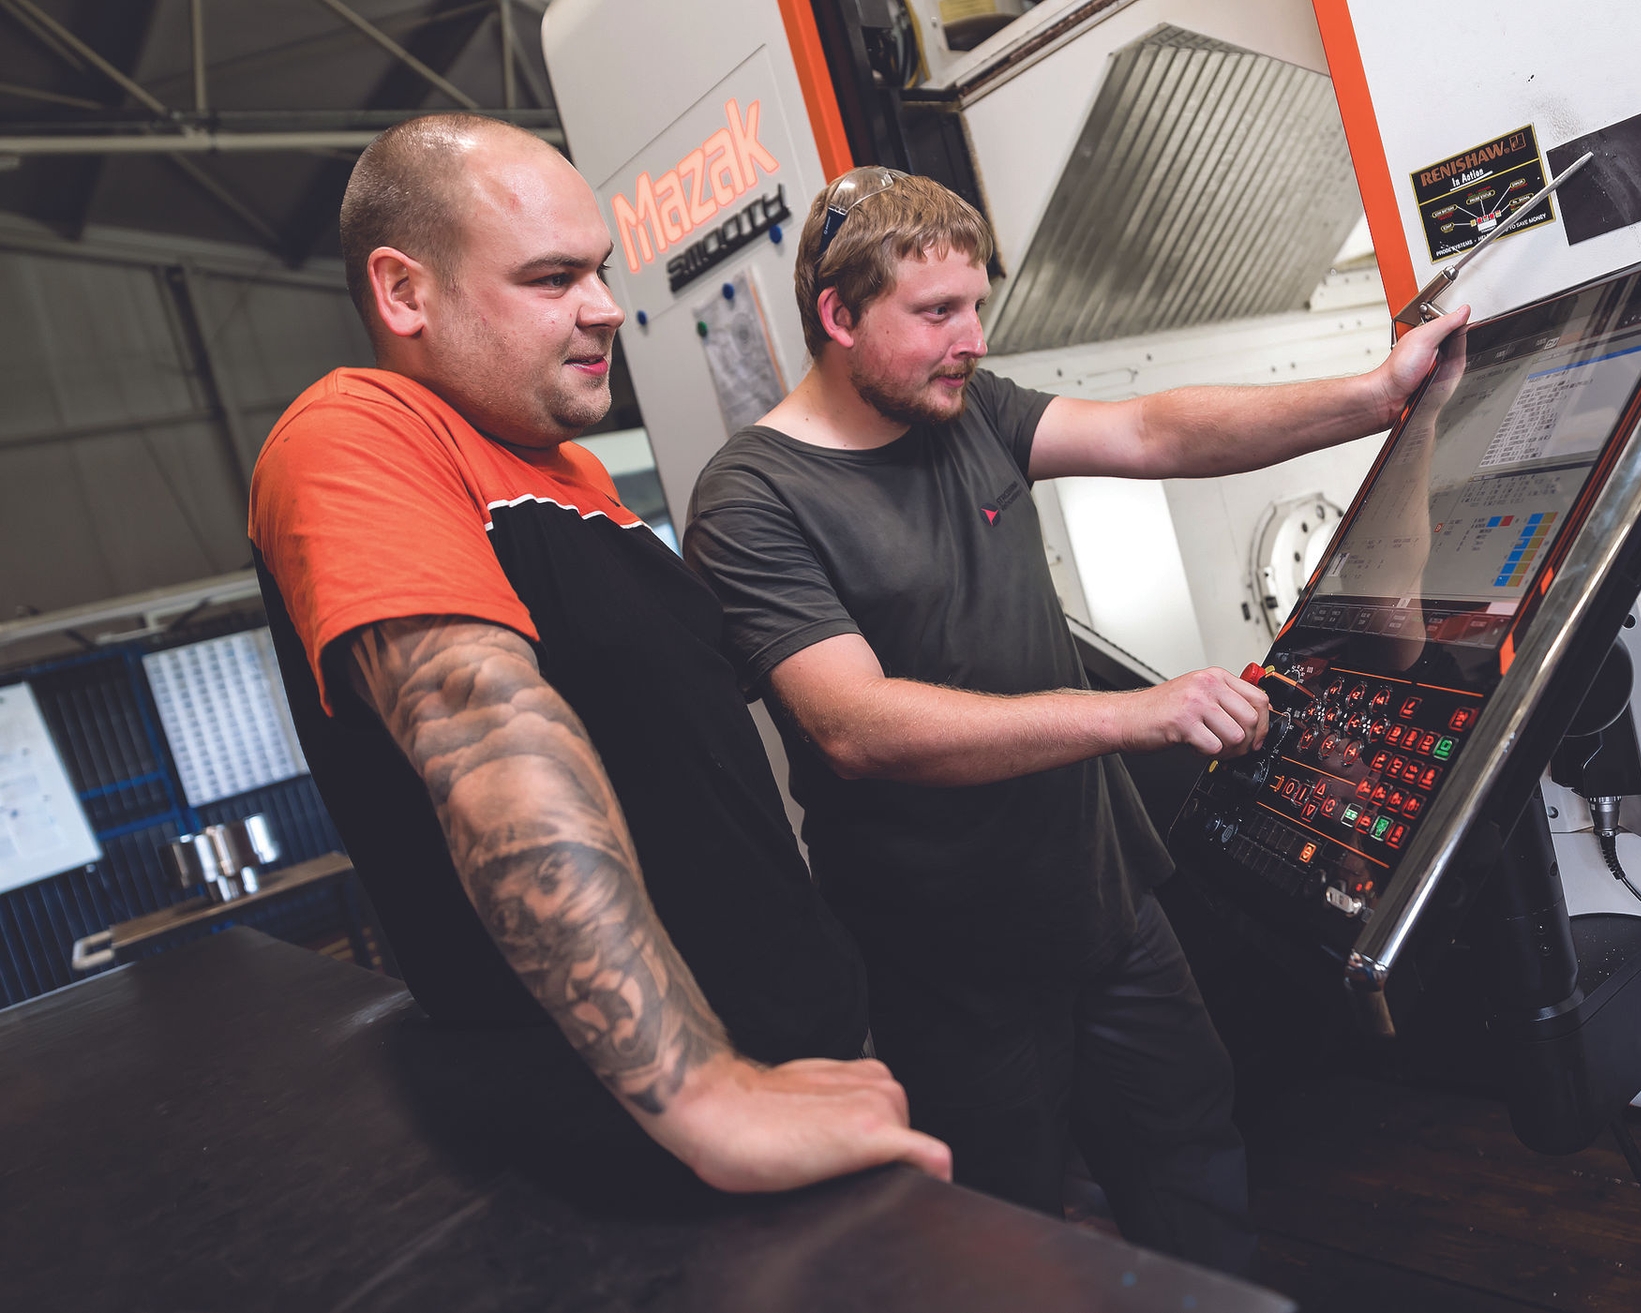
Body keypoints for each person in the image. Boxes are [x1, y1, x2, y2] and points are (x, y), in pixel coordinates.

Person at [682, 167, 1464, 1267]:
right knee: (1008, 1224)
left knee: (1191, 1146)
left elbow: (1151, 430)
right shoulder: (753, 498)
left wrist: (1376, 396)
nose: (971, 338)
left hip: (1104, 902)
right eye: (937, 312)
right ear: (838, 316)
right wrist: (1134, 715)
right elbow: (855, 726)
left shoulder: (969, 410)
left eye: (977, 304)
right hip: (948, 956)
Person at [249, 118, 949, 1194]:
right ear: (403, 292)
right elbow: (485, 734)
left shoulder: (569, 472)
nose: (606, 307)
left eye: (601, 270)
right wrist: (704, 1095)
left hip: (795, 1051)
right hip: (646, 1127)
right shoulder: (356, 435)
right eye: (552, 278)